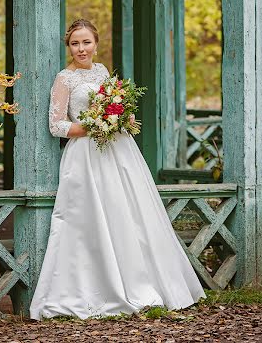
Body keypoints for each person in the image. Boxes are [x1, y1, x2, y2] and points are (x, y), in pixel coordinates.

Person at [30, 19, 205, 320]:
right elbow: (56, 124)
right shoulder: (64, 78)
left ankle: (143, 281)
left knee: (128, 212)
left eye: (86, 42)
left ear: (96, 43)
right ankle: (92, 288)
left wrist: (122, 117)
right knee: (88, 218)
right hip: (85, 154)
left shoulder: (102, 72)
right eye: (75, 43)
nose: (81, 49)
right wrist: (94, 125)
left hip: (117, 149)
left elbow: (116, 105)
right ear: (68, 47)